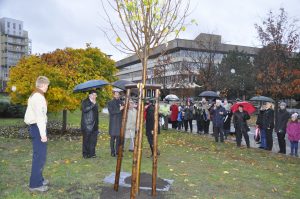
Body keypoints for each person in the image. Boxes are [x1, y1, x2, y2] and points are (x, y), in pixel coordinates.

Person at [24, 76, 50, 192]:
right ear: (43, 85)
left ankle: (39, 178)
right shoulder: (39, 97)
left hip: (35, 128)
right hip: (37, 128)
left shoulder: (34, 95)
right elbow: (40, 117)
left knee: (39, 156)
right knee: (39, 157)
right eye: (47, 85)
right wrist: (43, 135)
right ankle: (35, 184)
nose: (47, 88)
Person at [81, 90, 99, 159]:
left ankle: (92, 154)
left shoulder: (95, 103)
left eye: (96, 95)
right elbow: (85, 110)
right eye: (94, 95)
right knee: (86, 140)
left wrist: (97, 124)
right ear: (90, 95)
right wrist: (92, 104)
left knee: (93, 141)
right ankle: (85, 154)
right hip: (87, 125)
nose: (95, 96)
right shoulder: (85, 101)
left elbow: (96, 114)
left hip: (95, 125)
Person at [108, 91, 124, 157]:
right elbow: (111, 112)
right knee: (112, 138)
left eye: (118, 95)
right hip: (113, 123)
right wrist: (119, 109)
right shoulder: (110, 102)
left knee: (118, 138)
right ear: (113, 95)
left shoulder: (121, 102)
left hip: (119, 122)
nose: (117, 96)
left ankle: (117, 151)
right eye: (116, 94)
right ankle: (112, 152)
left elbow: (123, 113)